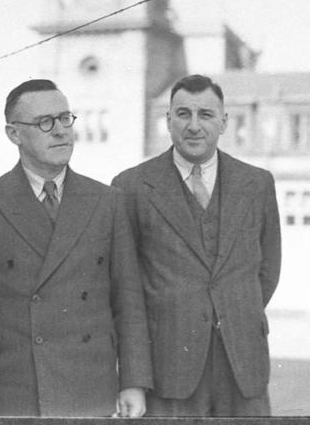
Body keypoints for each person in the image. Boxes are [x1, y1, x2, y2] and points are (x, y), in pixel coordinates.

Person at [0, 79, 152, 417]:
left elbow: (129, 300)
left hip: (87, 387)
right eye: (45, 122)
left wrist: (133, 382)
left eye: (65, 118)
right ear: (14, 134)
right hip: (5, 387)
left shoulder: (107, 202)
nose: (61, 131)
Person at [111, 74, 281, 416]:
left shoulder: (257, 183)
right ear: (168, 120)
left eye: (205, 114)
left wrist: (233, 310)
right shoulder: (131, 187)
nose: (193, 125)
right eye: (183, 114)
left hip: (243, 364)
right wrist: (133, 379)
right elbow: (125, 293)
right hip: (168, 368)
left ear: (224, 122)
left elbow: (267, 269)